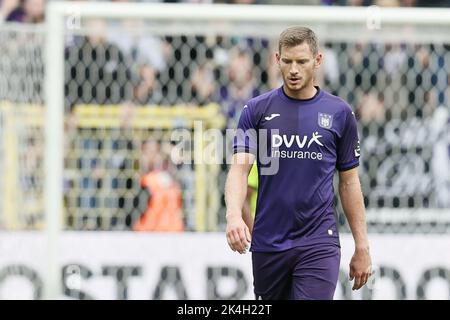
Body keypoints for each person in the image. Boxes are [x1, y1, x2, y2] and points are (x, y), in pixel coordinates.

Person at [225, 26, 372, 300]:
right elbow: (239, 170)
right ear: (276, 59)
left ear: (317, 61)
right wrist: (233, 215)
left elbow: (349, 183)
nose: (294, 70)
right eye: (288, 61)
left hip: (319, 240)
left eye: (302, 62)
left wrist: (361, 245)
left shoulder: (339, 114)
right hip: (269, 241)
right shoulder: (255, 111)